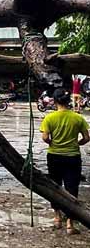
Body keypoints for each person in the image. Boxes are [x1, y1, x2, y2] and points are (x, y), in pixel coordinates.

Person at [41, 88, 90, 234]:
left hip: (54, 156)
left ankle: (57, 217)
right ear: (68, 101)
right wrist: (79, 143)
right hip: (73, 157)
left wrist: (51, 142)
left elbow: (44, 137)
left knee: (55, 186)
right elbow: (87, 138)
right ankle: (70, 223)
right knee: (72, 188)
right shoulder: (77, 118)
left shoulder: (50, 118)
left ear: (55, 101)